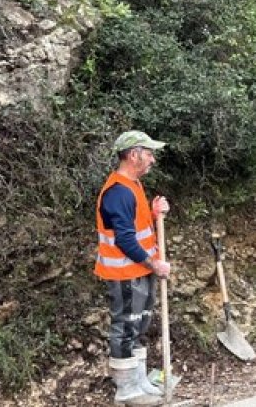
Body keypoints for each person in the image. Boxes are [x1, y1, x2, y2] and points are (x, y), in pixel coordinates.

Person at [94, 130, 171, 407]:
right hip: (125, 274)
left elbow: (135, 226)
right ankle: (126, 390)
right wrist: (155, 264)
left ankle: (140, 383)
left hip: (140, 272)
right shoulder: (117, 192)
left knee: (139, 326)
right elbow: (125, 240)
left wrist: (153, 213)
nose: (152, 159)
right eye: (149, 153)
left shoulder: (133, 185)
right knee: (126, 327)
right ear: (134, 155)